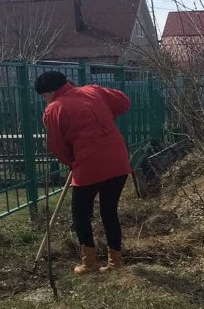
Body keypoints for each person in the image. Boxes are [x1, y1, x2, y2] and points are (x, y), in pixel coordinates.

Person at [34, 71, 131, 275]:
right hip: (118, 159)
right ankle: (115, 262)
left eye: (44, 96)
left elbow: (56, 145)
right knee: (109, 211)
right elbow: (122, 101)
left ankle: (89, 263)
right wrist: (103, 116)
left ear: (51, 92)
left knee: (80, 213)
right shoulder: (92, 91)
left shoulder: (54, 109)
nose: (44, 100)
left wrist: (72, 162)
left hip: (89, 164)